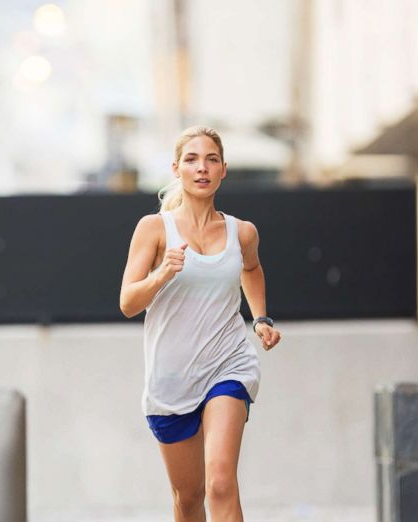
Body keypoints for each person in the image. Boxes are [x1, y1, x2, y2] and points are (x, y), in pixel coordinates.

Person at [119, 125, 282, 521]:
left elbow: (252, 268)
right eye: (192, 160)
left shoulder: (241, 232)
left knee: (221, 482)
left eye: (211, 159)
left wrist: (260, 317)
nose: (202, 168)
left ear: (223, 170)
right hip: (170, 379)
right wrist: (161, 275)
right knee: (189, 498)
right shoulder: (154, 229)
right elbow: (127, 303)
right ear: (176, 169)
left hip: (228, 365)